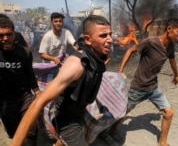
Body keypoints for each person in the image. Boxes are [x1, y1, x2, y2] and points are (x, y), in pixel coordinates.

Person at [10, 15, 113, 146]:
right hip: (65, 120)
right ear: (88, 39)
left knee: (63, 142)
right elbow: (38, 102)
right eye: (103, 36)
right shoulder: (76, 66)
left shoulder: (99, 54)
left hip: (78, 113)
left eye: (110, 34)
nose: (110, 39)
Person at [105, 18, 178, 146]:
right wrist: (120, 71)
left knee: (169, 113)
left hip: (153, 88)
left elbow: (172, 60)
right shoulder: (150, 42)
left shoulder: (170, 46)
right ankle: (111, 130)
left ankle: (163, 142)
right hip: (139, 87)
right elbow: (130, 50)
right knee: (122, 112)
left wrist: (176, 75)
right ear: (169, 29)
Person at [0, 17, 41, 145]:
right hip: (5, 102)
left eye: (9, 34)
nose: (5, 39)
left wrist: (38, 92)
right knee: (14, 133)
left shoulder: (25, 53)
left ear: (14, 35)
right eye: (1, 35)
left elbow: (29, 74)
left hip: (24, 97)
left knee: (31, 130)